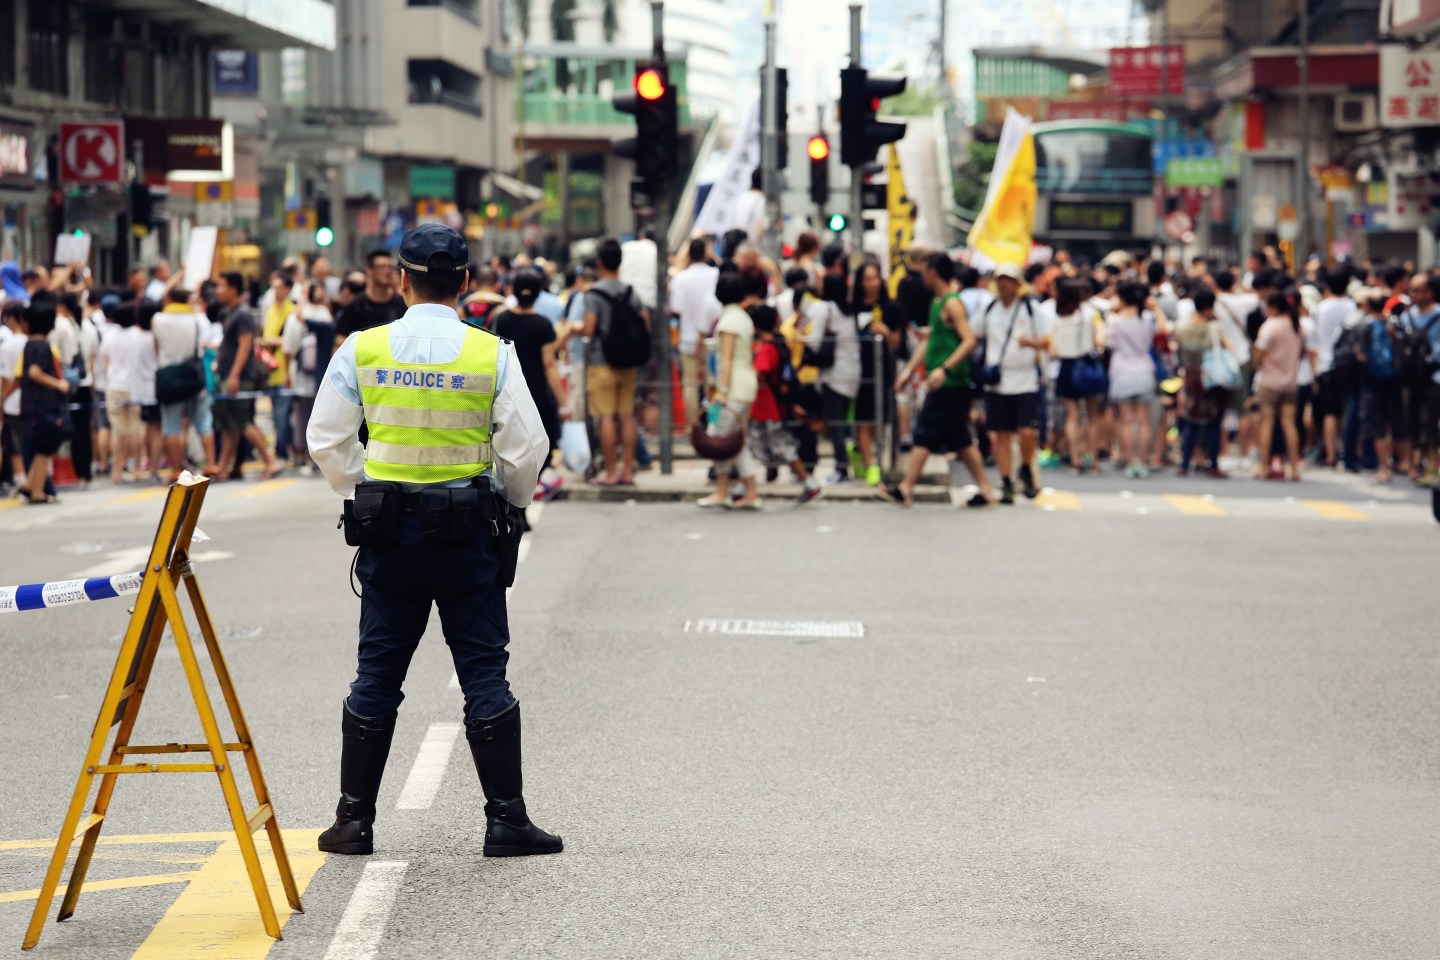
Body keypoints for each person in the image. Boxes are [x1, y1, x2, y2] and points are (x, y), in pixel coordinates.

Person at [307, 224, 559, 860]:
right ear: (466, 283)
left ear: (401, 280)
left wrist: (369, 489)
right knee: (483, 671)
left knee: (377, 672)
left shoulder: (362, 349)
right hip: (468, 535)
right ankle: (507, 821)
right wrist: (509, 500)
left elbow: (325, 439)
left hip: (389, 536)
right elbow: (528, 449)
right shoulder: (491, 354)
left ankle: (353, 822)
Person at [882, 252, 996, 508]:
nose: (922, 276)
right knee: (960, 438)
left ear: (933, 272)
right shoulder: (937, 303)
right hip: (942, 381)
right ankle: (987, 491)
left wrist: (945, 369)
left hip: (950, 382)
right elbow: (930, 341)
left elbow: (969, 340)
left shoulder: (953, 304)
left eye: (924, 271)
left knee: (924, 431)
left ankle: (906, 488)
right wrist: (908, 371)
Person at [474, 268, 565, 472]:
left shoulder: (501, 319)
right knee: (537, 446)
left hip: (508, 392)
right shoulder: (543, 325)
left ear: (513, 291)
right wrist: (563, 402)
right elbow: (549, 364)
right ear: (538, 293)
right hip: (537, 394)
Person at [974, 262, 1050, 502]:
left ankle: (1026, 466)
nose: (1004, 284)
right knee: (1002, 434)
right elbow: (972, 333)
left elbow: (1048, 340)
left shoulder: (1031, 309)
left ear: (1018, 284)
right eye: (1001, 279)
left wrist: (1030, 343)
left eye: (1009, 279)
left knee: (1027, 431)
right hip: (997, 381)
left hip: (1026, 380)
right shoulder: (989, 308)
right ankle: (1006, 480)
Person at [583, 238, 650, 486]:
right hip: (628, 363)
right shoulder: (631, 292)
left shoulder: (594, 294)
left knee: (606, 417)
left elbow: (589, 330)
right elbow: (646, 325)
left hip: (602, 361)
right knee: (626, 415)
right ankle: (628, 472)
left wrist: (577, 329)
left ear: (599, 262)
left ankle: (611, 473)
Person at [747, 304, 823, 505]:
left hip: (766, 407)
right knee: (752, 446)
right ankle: (742, 487)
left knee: (779, 446)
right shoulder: (779, 344)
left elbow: (759, 373)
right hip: (773, 406)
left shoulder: (767, 348)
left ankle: (809, 483)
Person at [697, 272, 760, 509]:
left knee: (719, 437)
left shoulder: (728, 321)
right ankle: (748, 491)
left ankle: (722, 491)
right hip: (745, 384)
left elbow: (726, 359)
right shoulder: (742, 318)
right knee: (735, 442)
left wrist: (721, 390)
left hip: (733, 387)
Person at [2, 300, 72, 502]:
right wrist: (59, 384)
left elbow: (19, 377)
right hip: (44, 405)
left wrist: (3, 397)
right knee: (45, 448)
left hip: (28, 404)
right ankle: (38, 491)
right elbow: (34, 372)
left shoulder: (29, 345)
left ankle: (30, 485)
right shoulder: (44, 346)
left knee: (40, 447)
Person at [213, 272, 279, 481]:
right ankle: (223, 466)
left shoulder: (242, 314)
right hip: (229, 375)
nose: (217, 291)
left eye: (221, 286)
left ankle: (270, 461)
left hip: (239, 377)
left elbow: (245, 345)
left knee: (242, 422)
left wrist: (234, 375)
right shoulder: (229, 312)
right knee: (230, 424)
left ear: (233, 290)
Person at [849, 261, 904, 486]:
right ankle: (869, 463)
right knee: (863, 420)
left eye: (874, 278)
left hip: (883, 371)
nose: (871, 283)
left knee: (881, 419)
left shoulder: (891, 307)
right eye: (866, 278)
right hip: (857, 371)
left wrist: (885, 332)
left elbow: (897, 342)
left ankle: (873, 459)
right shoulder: (852, 307)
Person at [154, 288, 217, 481]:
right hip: (192, 376)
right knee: (203, 422)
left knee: (171, 426)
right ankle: (211, 464)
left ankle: (176, 469)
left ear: (169, 299)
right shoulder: (196, 320)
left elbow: (156, 347)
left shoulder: (158, 319)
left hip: (169, 378)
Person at [1049, 279, 1107, 475]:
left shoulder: (1059, 319)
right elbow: (1099, 340)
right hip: (1086, 365)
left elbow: (1053, 351)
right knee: (1092, 416)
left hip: (1066, 367)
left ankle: (1075, 459)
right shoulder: (1089, 315)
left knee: (1071, 416)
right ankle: (1094, 461)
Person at [1174, 289, 1229, 477]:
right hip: (1211, 376)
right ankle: (1213, 464)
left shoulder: (1182, 326)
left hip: (1190, 376)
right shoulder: (1214, 327)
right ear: (1208, 307)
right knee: (1213, 422)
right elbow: (1226, 347)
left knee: (1190, 422)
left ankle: (1185, 464)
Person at [1107, 282, 1159, 478]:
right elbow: (1160, 332)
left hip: (1121, 372)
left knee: (1125, 421)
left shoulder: (1115, 321)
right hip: (1145, 371)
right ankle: (1143, 461)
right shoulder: (1147, 318)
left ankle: (1129, 461)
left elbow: (1109, 344)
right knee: (1143, 421)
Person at [1357, 289, 1409, 483]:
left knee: (1377, 425)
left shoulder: (1365, 326)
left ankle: (1384, 468)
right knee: (1398, 420)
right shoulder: (1394, 325)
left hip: (1372, 381)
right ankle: (1407, 463)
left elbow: (1362, 355)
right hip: (1393, 378)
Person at [1251, 292, 1305, 481]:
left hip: (1269, 380)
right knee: (1289, 424)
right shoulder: (1296, 325)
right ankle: (1294, 469)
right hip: (1291, 380)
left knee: (1267, 423)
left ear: (1273, 307)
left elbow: (1258, 353)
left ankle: (1264, 467)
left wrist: (1258, 364)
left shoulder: (1271, 326)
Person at [670, 238, 720, 427]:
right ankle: (714, 424)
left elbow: (676, 308)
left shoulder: (681, 278)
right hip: (713, 338)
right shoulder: (715, 274)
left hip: (689, 338)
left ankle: (693, 428)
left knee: (690, 385)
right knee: (713, 384)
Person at [284, 282, 333, 471]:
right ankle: (316, 456)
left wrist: (287, 373)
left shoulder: (296, 317)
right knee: (320, 417)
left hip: (301, 375)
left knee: (301, 415)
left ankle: (303, 453)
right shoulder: (326, 315)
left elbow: (288, 347)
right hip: (322, 376)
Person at [1313, 272, 1356, 468]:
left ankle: (1330, 454)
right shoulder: (1351, 306)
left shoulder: (1320, 308)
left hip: (1325, 363)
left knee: (1329, 412)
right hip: (1347, 363)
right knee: (1349, 409)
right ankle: (1347, 450)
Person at [1404, 274, 1440, 486]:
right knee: (1412, 421)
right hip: (1411, 378)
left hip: (1434, 377)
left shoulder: (1438, 315)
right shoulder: (1407, 316)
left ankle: (1432, 466)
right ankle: (1415, 463)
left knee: (1430, 421)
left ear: (1430, 292)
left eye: (1417, 290)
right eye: (1411, 290)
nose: (1413, 294)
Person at [261, 271, 299, 464]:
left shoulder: (293, 311)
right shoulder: (271, 310)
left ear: (288, 289)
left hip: (285, 370)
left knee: (281, 415)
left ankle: (282, 453)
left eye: (279, 287)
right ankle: (288, 449)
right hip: (271, 369)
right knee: (277, 416)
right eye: (273, 287)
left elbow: (292, 341)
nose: (275, 291)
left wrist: (271, 341)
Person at [334, 250, 408, 346]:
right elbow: (340, 337)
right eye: (382, 267)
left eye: (390, 267)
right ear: (369, 271)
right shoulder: (356, 305)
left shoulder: (402, 303)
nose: (387, 271)